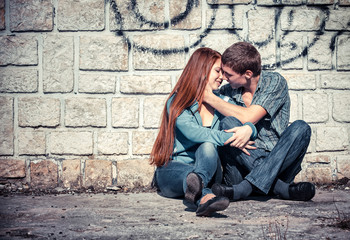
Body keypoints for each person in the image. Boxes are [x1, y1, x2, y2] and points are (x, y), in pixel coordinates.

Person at [149, 47, 257, 217]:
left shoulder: (222, 102)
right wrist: (232, 137)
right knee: (201, 154)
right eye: (217, 71)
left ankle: (202, 193)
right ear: (202, 71)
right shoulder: (178, 102)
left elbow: (246, 120)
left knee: (207, 147)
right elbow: (194, 133)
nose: (222, 77)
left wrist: (249, 130)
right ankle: (203, 193)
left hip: (212, 172)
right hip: (174, 170)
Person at [203, 42, 315, 202]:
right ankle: (280, 188)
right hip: (240, 171)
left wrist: (209, 97)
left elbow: (249, 116)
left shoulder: (274, 82)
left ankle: (246, 188)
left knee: (301, 128)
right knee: (228, 122)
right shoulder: (227, 91)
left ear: (248, 74)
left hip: (278, 162)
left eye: (228, 74)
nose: (224, 78)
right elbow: (196, 91)